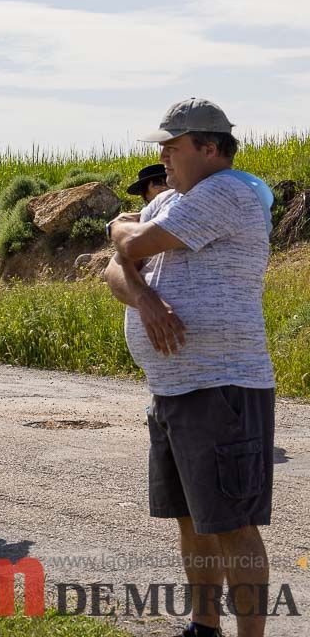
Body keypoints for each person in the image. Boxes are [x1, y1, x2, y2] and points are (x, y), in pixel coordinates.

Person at [104, 99, 274, 637]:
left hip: (221, 384)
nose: (162, 156)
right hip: (174, 386)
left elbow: (130, 242)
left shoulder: (227, 192)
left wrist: (120, 228)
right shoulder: (175, 199)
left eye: (171, 147)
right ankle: (204, 625)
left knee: (233, 524)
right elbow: (115, 269)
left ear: (209, 148)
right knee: (192, 518)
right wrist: (147, 300)